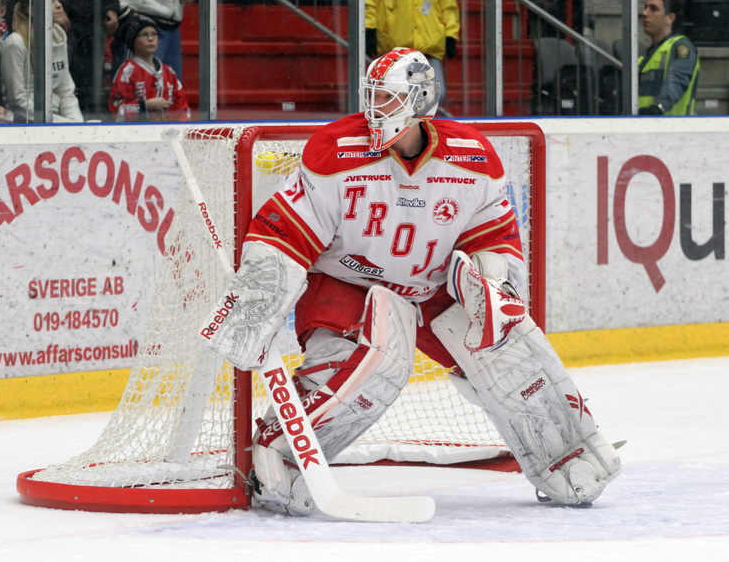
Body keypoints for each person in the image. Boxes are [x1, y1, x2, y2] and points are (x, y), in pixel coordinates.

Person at [201, 47, 622, 516]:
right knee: (371, 366)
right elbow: (285, 232)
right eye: (371, 96)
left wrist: (493, 288)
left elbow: (495, 238)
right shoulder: (335, 150)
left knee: (507, 353)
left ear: (421, 101)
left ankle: (566, 454)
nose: (373, 109)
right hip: (348, 281)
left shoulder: (472, 158)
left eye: (386, 98)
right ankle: (279, 455)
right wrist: (258, 299)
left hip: (433, 287)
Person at [0, 0, 83, 122]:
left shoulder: (59, 38)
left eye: (58, 0)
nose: (59, 5)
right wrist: (60, 124)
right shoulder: (15, 44)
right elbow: (17, 101)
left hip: (58, 118)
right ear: (32, 10)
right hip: (25, 122)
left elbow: (66, 92)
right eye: (52, 1)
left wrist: (76, 124)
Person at [365, 0, 459, 106]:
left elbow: (448, 6)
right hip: (394, 49)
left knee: (435, 94)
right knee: (392, 94)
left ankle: (416, 122)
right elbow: (370, 3)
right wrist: (369, 29)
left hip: (428, 47)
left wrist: (450, 34)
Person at [107, 16, 189, 121]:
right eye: (144, 35)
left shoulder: (169, 72)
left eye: (154, 34)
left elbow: (182, 107)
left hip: (168, 133)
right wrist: (145, 105)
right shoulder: (127, 72)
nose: (151, 39)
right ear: (132, 40)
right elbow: (116, 109)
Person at [59, 0, 120, 116]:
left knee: (91, 81)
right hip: (66, 15)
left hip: (94, 14)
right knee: (63, 79)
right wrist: (56, 6)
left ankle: (87, 119)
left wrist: (110, 6)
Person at [638, 0, 699, 115]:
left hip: (673, 130)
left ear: (670, 18)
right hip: (644, 128)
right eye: (645, 8)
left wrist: (659, 107)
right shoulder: (645, 58)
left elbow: (677, 80)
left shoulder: (680, 47)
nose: (645, 13)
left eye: (653, 9)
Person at [113, 0, 197, 79]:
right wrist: (124, 11)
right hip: (141, 23)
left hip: (172, 28)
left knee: (171, 89)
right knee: (135, 87)